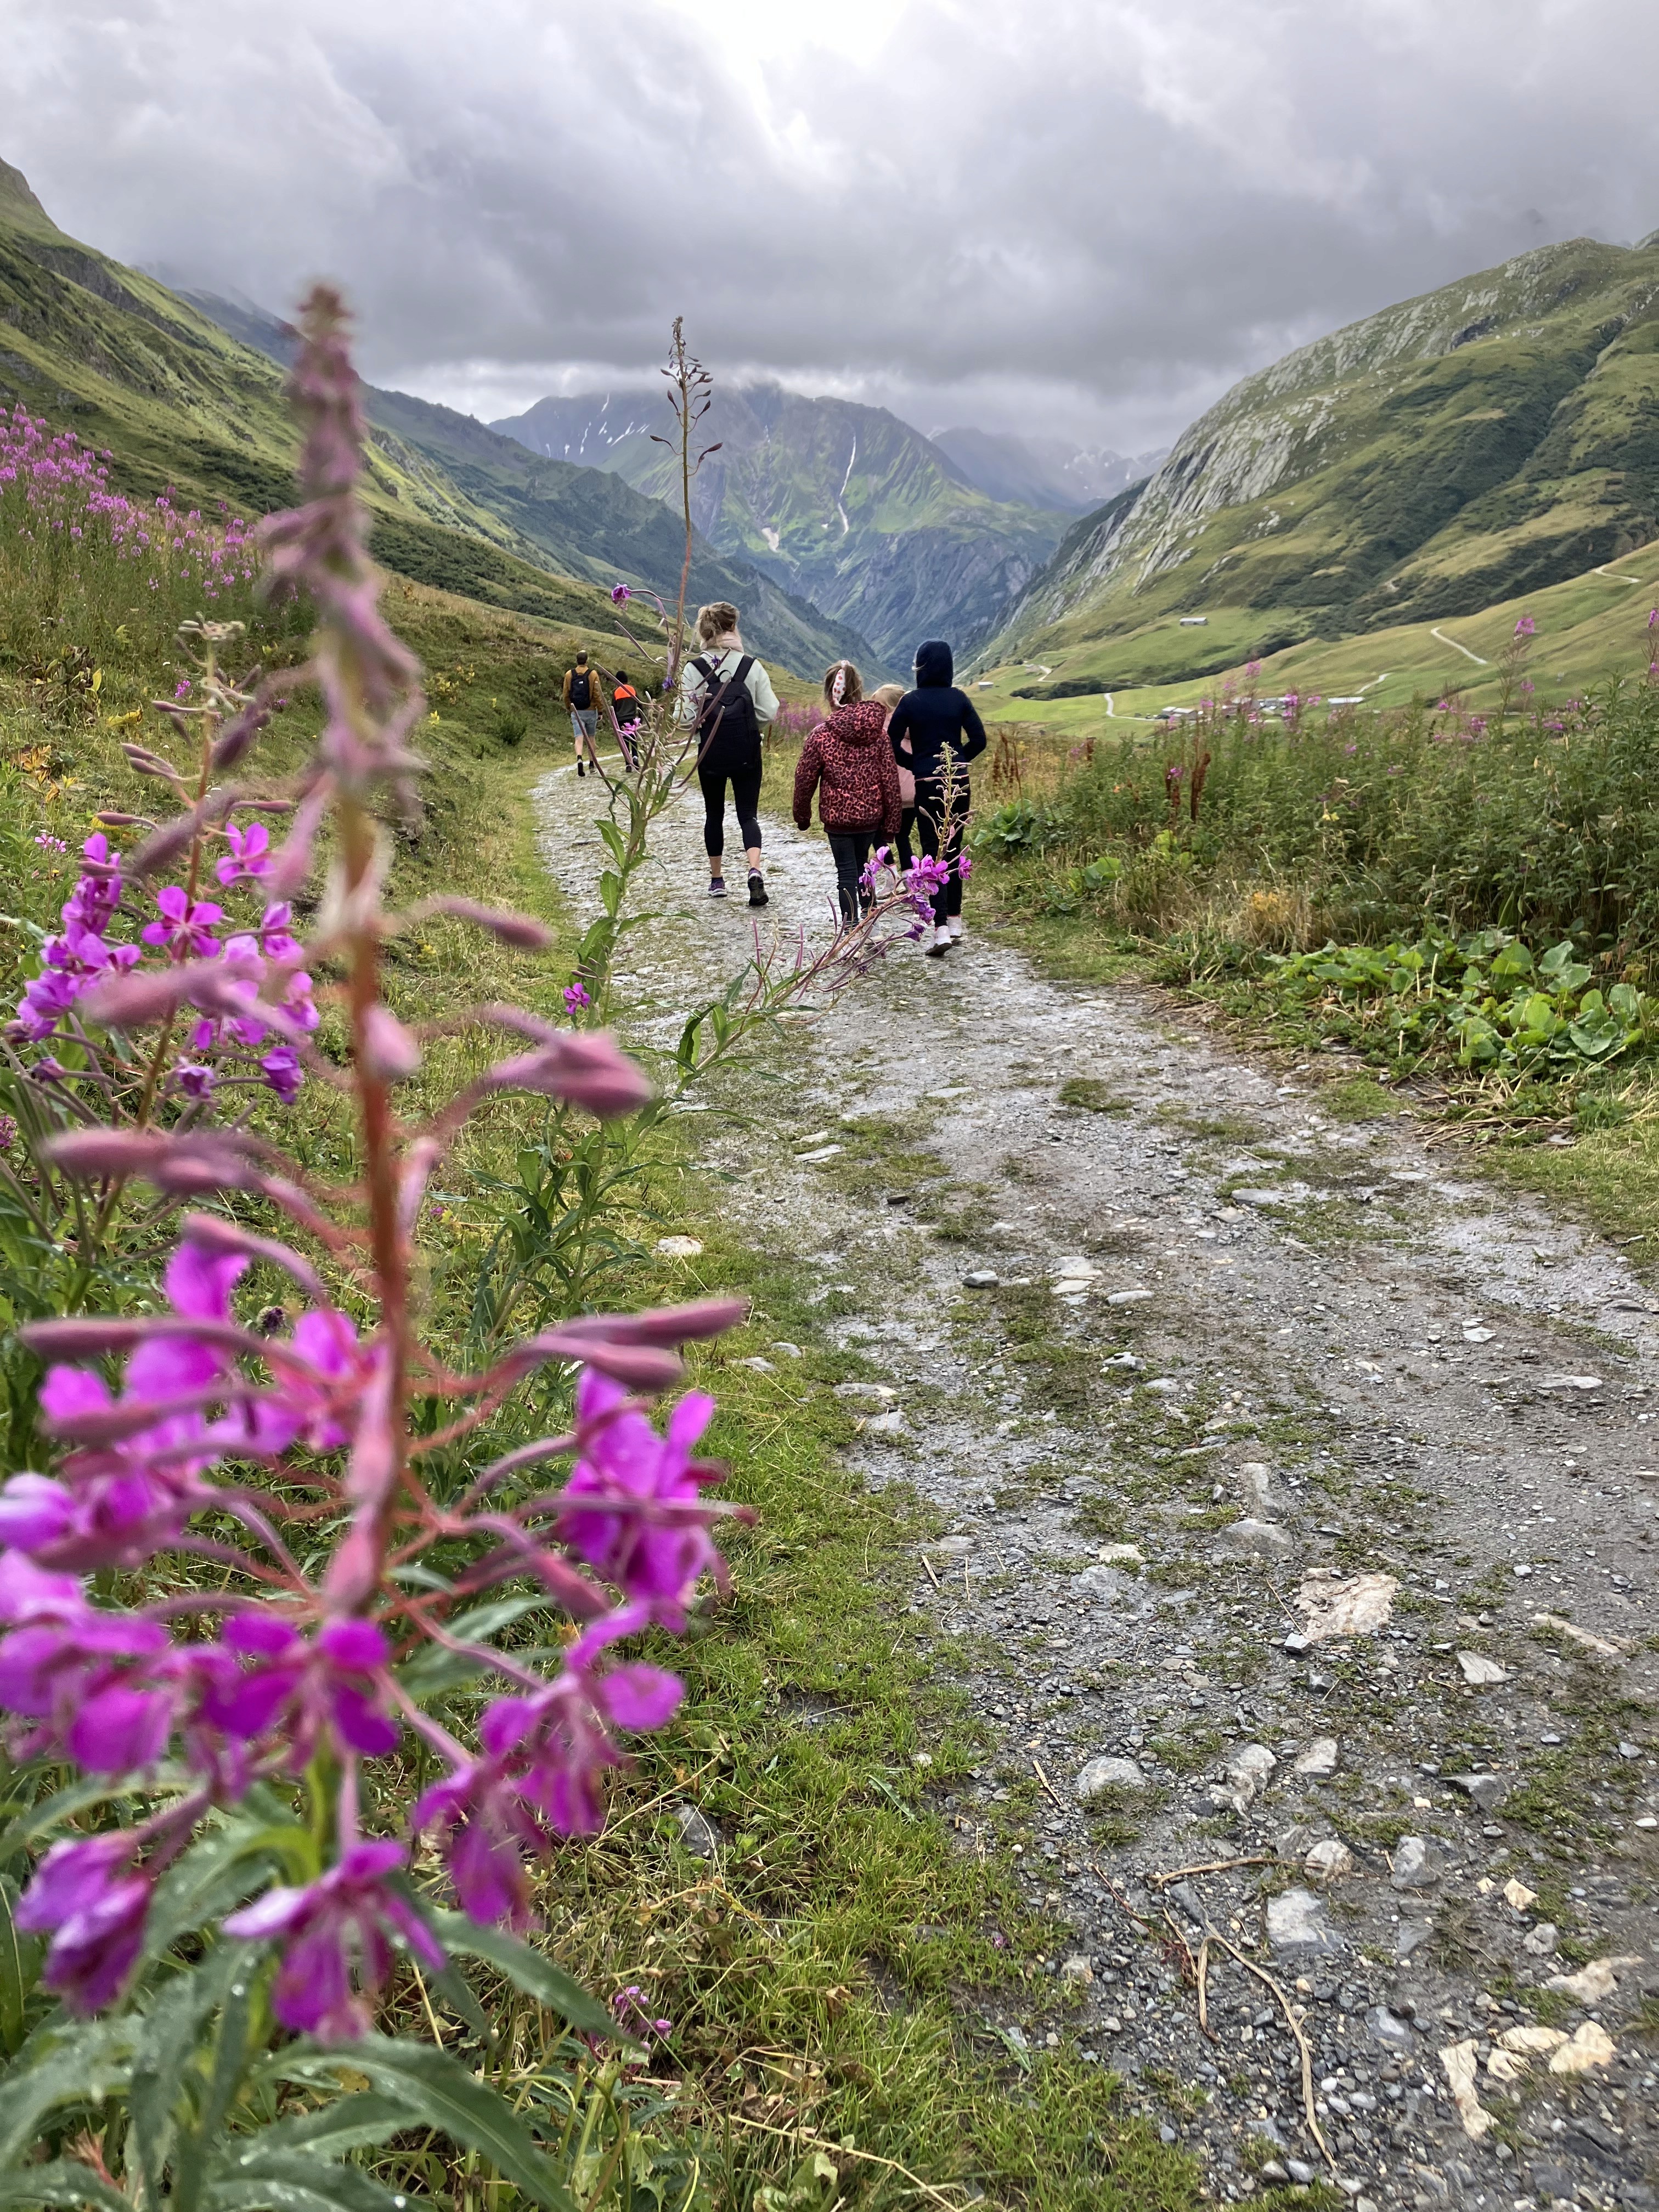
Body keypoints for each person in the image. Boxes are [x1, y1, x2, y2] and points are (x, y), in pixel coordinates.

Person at [886, 640, 986, 957]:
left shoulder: (910, 701)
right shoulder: (959, 698)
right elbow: (980, 740)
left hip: (928, 782)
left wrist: (913, 764)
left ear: (921, 667)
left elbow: (891, 740)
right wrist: (958, 760)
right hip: (958, 782)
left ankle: (940, 928)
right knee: (954, 850)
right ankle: (955, 923)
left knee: (933, 853)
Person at [678, 600, 778, 904]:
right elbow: (769, 711)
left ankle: (717, 880)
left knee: (714, 815)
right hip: (747, 752)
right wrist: (749, 725)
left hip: (711, 754)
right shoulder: (751, 665)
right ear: (733, 627)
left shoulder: (693, 669)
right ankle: (754, 870)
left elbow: (683, 719)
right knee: (748, 815)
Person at [792, 661, 902, 926]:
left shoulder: (821, 735)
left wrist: (802, 816)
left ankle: (851, 925)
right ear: (859, 690)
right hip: (870, 818)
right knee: (864, 866)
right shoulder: (879, 735)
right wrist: (891, 826)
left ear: (830, 694)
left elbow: (805, 779)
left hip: (837, 820)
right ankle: (869, 923)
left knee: (846, 872)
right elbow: (890, 782)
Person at [872, 681, 916, 868]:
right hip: (913, 795)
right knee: (903, 836)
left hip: (890, 794)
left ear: (889, 708)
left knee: (878, 834)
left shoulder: (884, 728)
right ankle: (910, 877)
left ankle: (891, 873)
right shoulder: (917, 725)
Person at [562, 651, 607, 777]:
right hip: (591, 710)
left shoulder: (569, 674)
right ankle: (592, 764)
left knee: (579, 737)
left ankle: (580, 759)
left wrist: (569, 707)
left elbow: (566, 694)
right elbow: (598, 694)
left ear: (576, 660)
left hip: (576, 711)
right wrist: (600, 710)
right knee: (591, 738)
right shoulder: (593, 674)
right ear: (587, 660)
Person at [610, 668, 642, 771]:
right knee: (633, 739)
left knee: (625, 742)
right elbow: (640, 704)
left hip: (621, 721)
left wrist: (614, 722)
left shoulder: (616, 692)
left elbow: (613, 709)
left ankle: (628, 764)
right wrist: (641, 719)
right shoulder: (632, 690)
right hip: (632, 719)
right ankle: (635, 757)